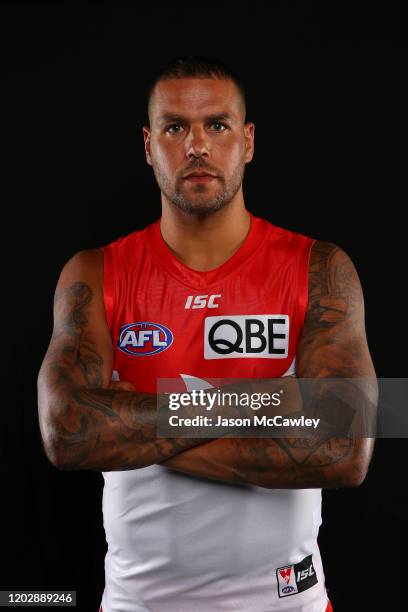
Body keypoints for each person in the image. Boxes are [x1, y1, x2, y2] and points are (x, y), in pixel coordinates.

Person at [37, 55, 377, 612]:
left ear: (246, 141)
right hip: (137, 603)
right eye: (176, 127)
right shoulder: (95, 273)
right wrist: (273, 401)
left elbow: (345, 449)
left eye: (216, 125)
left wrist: (133, 420)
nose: (197, 146)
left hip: (288, 603)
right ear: (149, 146)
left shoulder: (319, 267)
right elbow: (68, 435)